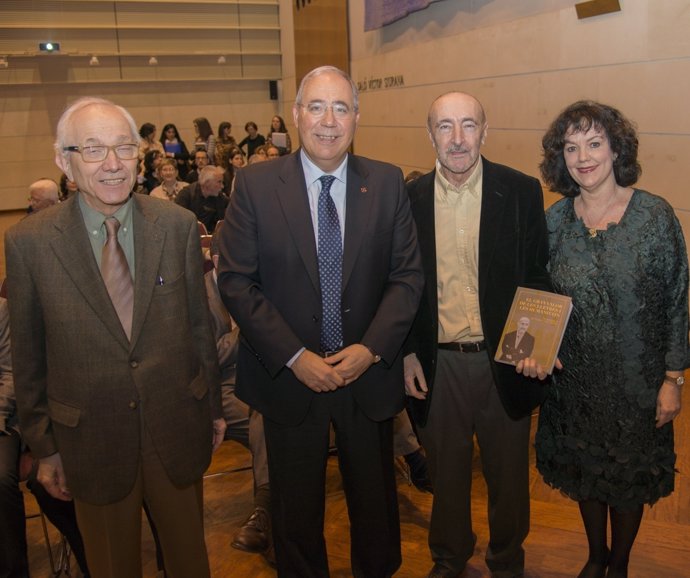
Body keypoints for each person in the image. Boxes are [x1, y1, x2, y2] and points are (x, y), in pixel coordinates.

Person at [4, 96, 225, 578]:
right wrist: (44, 447)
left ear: (139, 156)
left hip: (176, 427)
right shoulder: (29, 244)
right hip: (88, 441)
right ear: (65, 160)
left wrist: (210, 410)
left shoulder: (177, 226)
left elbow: (198, 329)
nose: (112, 164)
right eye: (93, 149)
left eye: (124, 148)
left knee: (190, 563)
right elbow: (29, 356)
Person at [217, 65, 424, 578]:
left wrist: (372, 348)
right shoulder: (255, 184)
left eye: (340, 108)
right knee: (293, 514)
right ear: (295, 116)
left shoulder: (388, 182)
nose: (328, 121)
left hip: (366, 378)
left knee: (376, 509)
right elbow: (237, 280)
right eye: (316, 107)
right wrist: (294, 356)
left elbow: (407, 278)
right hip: (289, 380)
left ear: (357, 115)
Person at [535, 100, 689, 578]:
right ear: (560, 158)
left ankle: (618, 564)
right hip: (574, 387)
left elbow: (678, 301)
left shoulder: (655, 218)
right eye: (572, 146)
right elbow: (536, 297)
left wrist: (673, 378)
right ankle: (595, 556)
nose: (583, 156)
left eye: (595, 143)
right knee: (586, 475)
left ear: (615, 148)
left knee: (627, 481)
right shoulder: (554, 223)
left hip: (637, 387)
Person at [404, 91, 551, 578]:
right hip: (437, 363)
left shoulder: (521, 190)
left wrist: (535, 347)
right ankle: (450, 557)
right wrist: (406, 351)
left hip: (504, 360)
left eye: (469, 125)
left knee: (508, 479)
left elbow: (537, 275)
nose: (458, 138)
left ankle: (507, 561)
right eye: (445, 127)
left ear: (485, 132)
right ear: (430, 136)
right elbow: (397, 283)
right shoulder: (409, 198)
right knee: (446, 478)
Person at [175, 165, 227, 233]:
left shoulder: (219, 197)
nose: (222, 186)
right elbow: (178, 222)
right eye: (219, 182)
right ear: (207, 182)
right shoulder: (186, 196)